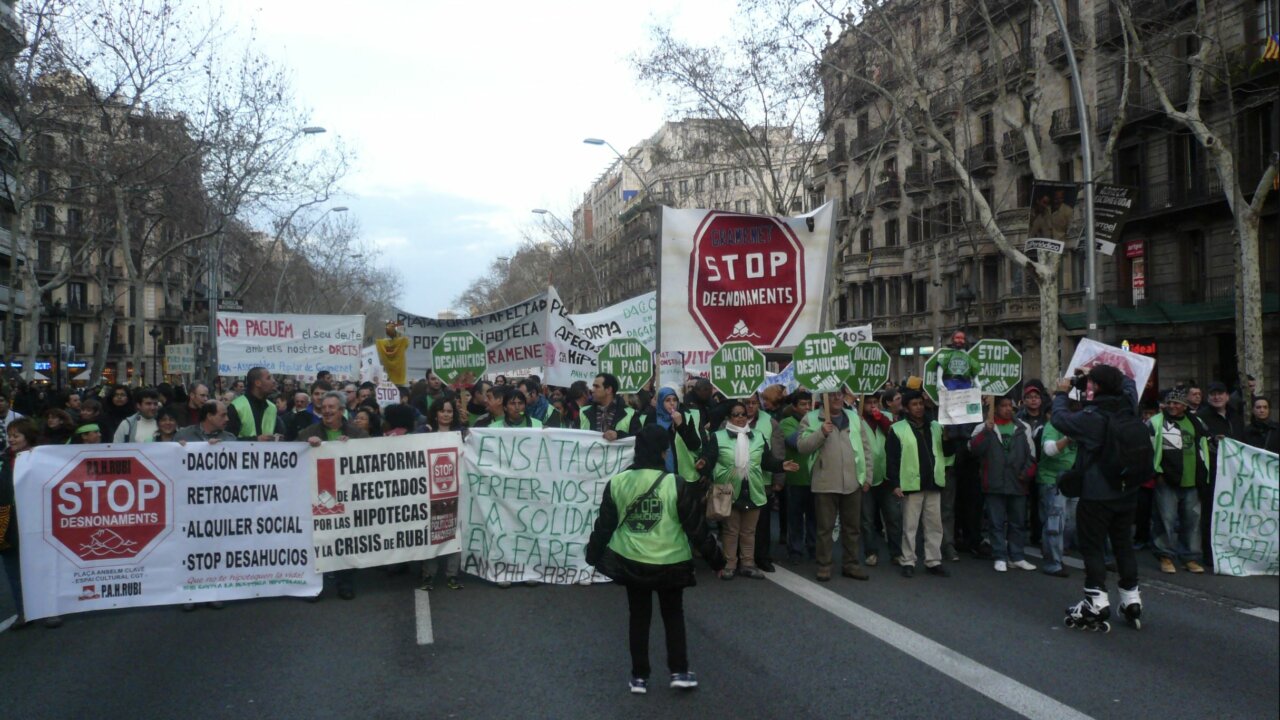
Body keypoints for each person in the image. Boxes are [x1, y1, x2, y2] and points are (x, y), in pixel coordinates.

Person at [587, 426, 710, 694]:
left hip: (632, 560)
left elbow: (604, 525)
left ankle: (639, 676)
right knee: (673, 615)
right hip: (671, 560)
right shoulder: (675, 483)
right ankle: (679, 670)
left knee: (639, 617)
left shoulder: (618, 482)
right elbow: (696, 527)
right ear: (664, 451)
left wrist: (592, 554)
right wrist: (718, 559)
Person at [1050, 365, 1145, 631]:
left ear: (1098, 387)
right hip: (1127, 491)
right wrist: (1103, 371)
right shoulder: (1128, 405)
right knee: (1123, 544)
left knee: (1092, 547)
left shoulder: (1093, 417)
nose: (1087, 385)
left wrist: (1061, 392)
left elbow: (1059, 419)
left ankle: (1096, 600)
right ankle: (1131, 598)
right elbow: (1128, 383)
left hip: (1097, 493)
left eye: (1091, 382)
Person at [702, 400, 797, 580]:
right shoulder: (718, 436)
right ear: (729, 418)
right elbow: (710, 458)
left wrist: (781, 466)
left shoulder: (758, 436)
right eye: (736, 414)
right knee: (730, 530)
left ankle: (747, 564)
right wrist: (703, 465)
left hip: (753, 489)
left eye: (743, 414)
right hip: (728, 490)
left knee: (749, 532)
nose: (740, 418)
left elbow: (767, 460)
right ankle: (729, 565)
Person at [797, 390, 875, 582]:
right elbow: (802, 447)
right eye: (832, 395)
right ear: (823, 398)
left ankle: (851, 564)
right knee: (825, 528)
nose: (837, 398)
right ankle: (824, 565)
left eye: (840, 394)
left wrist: (867, 477)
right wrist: (821, 432)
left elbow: (866, 449)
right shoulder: (811, 418)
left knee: (852, 527)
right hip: (825, 482)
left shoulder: (854, 418)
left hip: (852, 482)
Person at [299, 391, 370, 600]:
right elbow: (294, 458)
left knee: (343, 540)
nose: (327, 411)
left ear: (341, 410)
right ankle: (313, 586)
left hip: (346, 497)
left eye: (332, 407)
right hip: (316, 495)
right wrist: (305, 446)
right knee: (315, 540)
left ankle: (345, 583)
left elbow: (370, 455)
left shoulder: (357, 434)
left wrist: (353, 448)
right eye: (324, 407)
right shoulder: (307, 433)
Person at [1, 419, 63, 628]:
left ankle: (50, 610)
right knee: (14, 571)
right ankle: (23, 612)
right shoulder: (3, 460)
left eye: (16, 435)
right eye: (9, 435)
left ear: (28, 437)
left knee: (44, 567)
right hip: (9, 523)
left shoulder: (43, 458)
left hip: (39, 521)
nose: (11, 439)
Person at [886, 389, 953, 577]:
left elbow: (947, 453)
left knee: (934, 525)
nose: (919, 407)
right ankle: (908, 561)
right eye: (914, 404)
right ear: (906, 408)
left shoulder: (936, 427)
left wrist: (948, 437)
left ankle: (933, 560)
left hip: (933, 483)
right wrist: (895, 484)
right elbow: (892, 459)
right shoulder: (898, 429)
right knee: (910, 526)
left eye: (920, 404)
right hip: (911, 484)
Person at [968, 395, 1038, 573]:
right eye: (1004, 406)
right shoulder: (982, 427)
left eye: (1010, 406)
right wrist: (986, 431)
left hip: (1017, 483)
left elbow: (1032, 455)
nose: (1008, 409)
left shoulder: (1023, 427)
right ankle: (999, 555)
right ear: (995, 408)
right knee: (996, 522)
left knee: (1017, 522)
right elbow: (973, 449)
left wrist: (1025, 474)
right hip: (994, 483)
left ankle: (1017, 556)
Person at [1146, 386, 1209, 574]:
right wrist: (1156, 473)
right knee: (1165, 519)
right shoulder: (1156, 422)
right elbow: (1148, 449)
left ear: (1184, 406)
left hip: (1192, 480)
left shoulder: (1196, 422)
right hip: (1166, 480)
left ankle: (1190, 557)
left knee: (1192, 521)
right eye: (1169, 402)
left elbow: (1205, 444)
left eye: (1177, 403)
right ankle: (1165, 556)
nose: (1172, 406)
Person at [421, 396, 466, 591]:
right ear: (435, 413)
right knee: (432, 531)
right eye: (442, 411)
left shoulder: (462, 434)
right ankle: (428, 575)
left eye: (449, 411)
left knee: (455, 532)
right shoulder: (423, 432)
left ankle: (452, 574)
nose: (446, 414)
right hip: (431, 491)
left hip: (457, 490)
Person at [860, 391, 902, 568]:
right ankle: (871, 552)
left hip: (886, 477)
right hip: (866, 478)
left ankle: (896, 552)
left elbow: (895, 435)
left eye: (875, 402)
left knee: (893, 517)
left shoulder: (885, 416)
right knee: (867, 519)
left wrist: (881, 419)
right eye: (868, 403)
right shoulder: (856, 419)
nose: (872, 406)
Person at [1038, 398, 1078, 578]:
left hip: (1074, 481)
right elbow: (1049, 450)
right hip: (1053, 480)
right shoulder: (1052, 427)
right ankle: (1052, 563)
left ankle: (1060, 553)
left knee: (1071, 523)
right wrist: (1068, 438)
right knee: (1056, 524)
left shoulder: (1081, 428)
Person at [779, 391, 816, 563]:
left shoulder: (817, 420)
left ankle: (813, 548)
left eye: (809, 404)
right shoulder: (787, 422)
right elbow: (796, 442)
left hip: (815, 477)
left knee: (814, 517)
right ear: (794, 407)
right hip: (796, 478)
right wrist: (811, 424)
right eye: (803, 404)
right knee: (795, 517)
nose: (807, 408)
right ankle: (795, 550)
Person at [227, 367, 285, 441]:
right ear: (257, 383)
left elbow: (280, 432)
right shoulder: (236, 406)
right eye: (268, 378)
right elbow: (228, 441)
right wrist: (255, 440)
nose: (273, 381)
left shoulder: (272, 407)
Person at [582, 373, 637, 439]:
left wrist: (619, 435)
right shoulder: (583, 412)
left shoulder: (630, 414)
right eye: (593, 386)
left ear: (608, 390)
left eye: (597, 387)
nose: (592, 390)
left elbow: (638, 441)